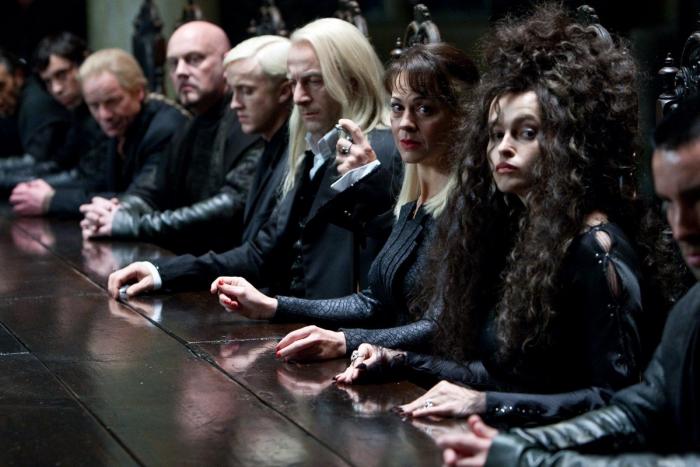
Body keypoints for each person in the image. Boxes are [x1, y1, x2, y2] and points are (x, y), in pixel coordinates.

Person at [335, 4, 686, 427]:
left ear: (569, 142)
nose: (503, 147)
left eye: (527, 133)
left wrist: (486, 404)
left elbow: (619, 403)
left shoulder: (597, 247)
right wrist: (397, 360)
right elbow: (503, 375)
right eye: (496, 133)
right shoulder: (520, 231)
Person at [437, 89, 700, 467]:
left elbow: (615, 397)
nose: (680, 228)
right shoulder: (692, 309)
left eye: (697, 199)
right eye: (670, 204)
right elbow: (637, 412)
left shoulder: (597, 245)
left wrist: (521, 451)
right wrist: (510, 445)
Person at [211, 43, 479, 363]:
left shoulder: (471, 208)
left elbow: (440, 326)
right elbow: (373, 302)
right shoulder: (413, 201)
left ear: (462, 118)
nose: (406, 122)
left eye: (424, 109)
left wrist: (345, 340)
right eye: (397, 107)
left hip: (433, 377)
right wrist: (273, 306)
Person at [107, 17, 402, 304]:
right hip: (298, 319)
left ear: (352, 80)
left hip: (329, 328)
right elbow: (261, 254)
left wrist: (280, 311)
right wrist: (161, 272)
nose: (299, 97)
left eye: (313, 81)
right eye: (295, 83)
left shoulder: (379, 152)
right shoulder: (314, 152)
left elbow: (377, 288)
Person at [78, 22, 263, 254]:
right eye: (174, 63)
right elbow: (152, 190)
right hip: (197, 259)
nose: (181, 71)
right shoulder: (191, 126)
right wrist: (116, 211)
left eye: (194, 59)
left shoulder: (248, 118)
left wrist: (134, 224)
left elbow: (230, 207)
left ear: (227, 63)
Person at [10, 48, 189, 217]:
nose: (104, 115)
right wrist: (46, 191)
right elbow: (97, 183)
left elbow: (138, 201)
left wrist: (52, 200)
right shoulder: (120, 123)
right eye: (94, 105)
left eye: (113, 101)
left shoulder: (164, 129)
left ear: (139, 92)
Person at [0, 32, 105, 194]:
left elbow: (90, 179)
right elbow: (59, 163)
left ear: (85, 62)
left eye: (62, 75)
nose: (56, 89)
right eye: (48, 81)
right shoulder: (79, 112)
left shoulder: (100, 113)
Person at [0, 47, 71, 161]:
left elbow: (42, 163)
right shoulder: (22, 102)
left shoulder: (36, 105)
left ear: (18, 77)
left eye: (1, 87)